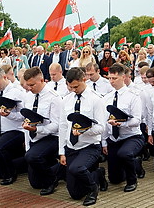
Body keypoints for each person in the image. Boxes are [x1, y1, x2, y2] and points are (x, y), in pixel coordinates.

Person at [59, 67, 106, 206]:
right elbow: (63, 126)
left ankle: (93, 189)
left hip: (90, 146)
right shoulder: (66, 100)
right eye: (70, 87)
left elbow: (101, 128)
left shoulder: (96, 99)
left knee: (76, 169)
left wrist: (84, 131)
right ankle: (97, 174)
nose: (73, 90)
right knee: (75, 193)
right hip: (72, 147)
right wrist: (62, 152)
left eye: (76, 86)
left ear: (84, 79)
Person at [102, 63, 144, 192]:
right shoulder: (106, 98)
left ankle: (132, 180)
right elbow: (104, 122)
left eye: (114, 78)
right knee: (115, 179)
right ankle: (133, 164)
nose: (111, 81)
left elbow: (137, 120)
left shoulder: (133, 96)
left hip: (131, 136)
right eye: (109, 78)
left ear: (123, 77)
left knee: (124, 154)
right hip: (114, 138)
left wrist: (122, 124)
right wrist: (104, 142)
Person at [22, 67, 62, 195]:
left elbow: (57, 124)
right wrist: (28, 144)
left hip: (50, 137)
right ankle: (59, 169)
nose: (29, 88)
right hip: (34, 137)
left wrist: (38, 129)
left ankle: (52, 179)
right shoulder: (28, 96)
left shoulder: (53, 97)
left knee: (32, 157)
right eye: (27, 85)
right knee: (35, 184)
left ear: (41, 80)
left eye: (32, 85)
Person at [0, 68, 25, 185]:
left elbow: (24, 115)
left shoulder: (17, 92)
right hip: (0, 131)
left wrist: (10, 115)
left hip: (15, 130)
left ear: (5, 77)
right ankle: (19, 165)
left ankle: (11, 173)